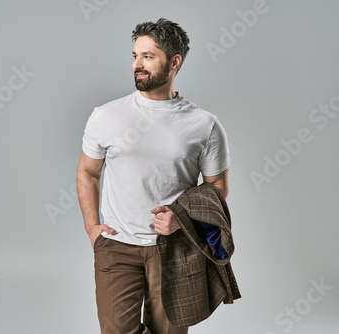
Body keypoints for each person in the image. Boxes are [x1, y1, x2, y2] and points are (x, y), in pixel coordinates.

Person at [76, 18, 230, 334]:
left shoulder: (204, 124)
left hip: (175, 247)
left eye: (148, 56)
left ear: (175, 62)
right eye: (135, 55)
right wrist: (93, 229)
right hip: (117, 245)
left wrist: (182, 217)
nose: (138, 65)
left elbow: (217, 186)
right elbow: (88, 172)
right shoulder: (106, 116)